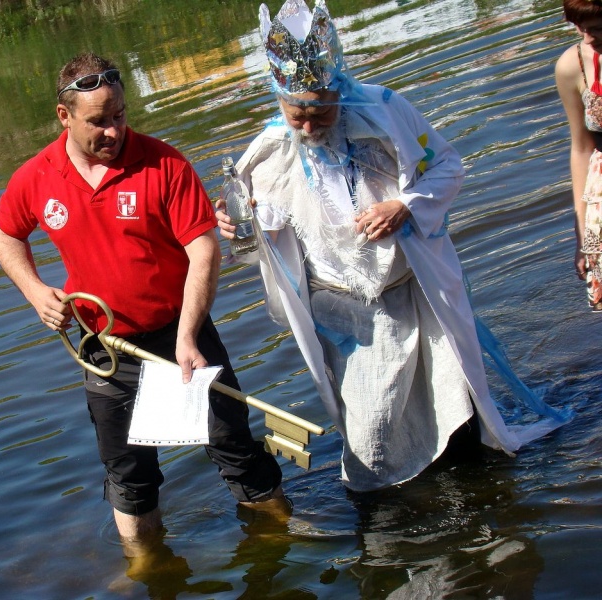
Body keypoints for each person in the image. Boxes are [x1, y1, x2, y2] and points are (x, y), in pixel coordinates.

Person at [217, 0, 570, 493]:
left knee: (455, 402)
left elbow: (447, 166)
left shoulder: (385, 111)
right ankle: (385, 517)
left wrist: (404, 205)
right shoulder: (269, 153)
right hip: (348, 313)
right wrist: (240, 233)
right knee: (372, 433)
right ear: (278, 100)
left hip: (416, 292)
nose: (308, 126)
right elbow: (264, 244)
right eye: (296, 114)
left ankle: (478, 492)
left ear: (337, 88)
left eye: (320, 111)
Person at [0, 52, 287, 542]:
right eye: (98, 122)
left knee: (234, 446)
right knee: (128, 473)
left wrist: (189, 335)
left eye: (120, 115)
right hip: (104, 348)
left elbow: (204, 250)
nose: (113, 131)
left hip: (180, 336)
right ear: (64, 117)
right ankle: (147, 566)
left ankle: (281, 537)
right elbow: (4, 234)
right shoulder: (37, 176)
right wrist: (35, 291)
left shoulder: (164, 163)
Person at [555, 0, 602, 310]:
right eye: (579, 28)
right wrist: (583, 235)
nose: (587, 38)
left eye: (597, 28)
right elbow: (581, 148)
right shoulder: (572, 66)